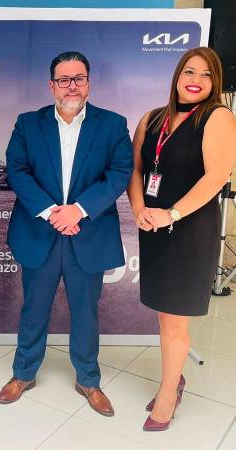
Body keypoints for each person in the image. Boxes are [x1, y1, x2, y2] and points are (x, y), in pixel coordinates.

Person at [0, 51, 133, 416]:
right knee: (33, 309)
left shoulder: (113, 124)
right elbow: (17, 171)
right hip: (40, 232)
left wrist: (79, 209)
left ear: (88, 82)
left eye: (79, 78)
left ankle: (88, 380)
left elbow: (119, 173)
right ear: (52, 85)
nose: (72, 86)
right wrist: (51, 212)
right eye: (64, 79)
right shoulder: (28, 124)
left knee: (86, 312)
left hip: (87, 233)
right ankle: (23, 374)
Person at [127, 47, 236, 431]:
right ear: (177, 75)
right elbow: (135, 170)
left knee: (175, 321)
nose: (196, 80)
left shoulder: (217, 116)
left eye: (206, 74)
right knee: (164, 314)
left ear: (215, 82)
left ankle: (168, 392)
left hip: (189, 230)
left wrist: (171, 214)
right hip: (153, 228)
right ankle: (175, 377)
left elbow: (216, 177)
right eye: (190, 71)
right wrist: (139, 209)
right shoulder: (152, 118)